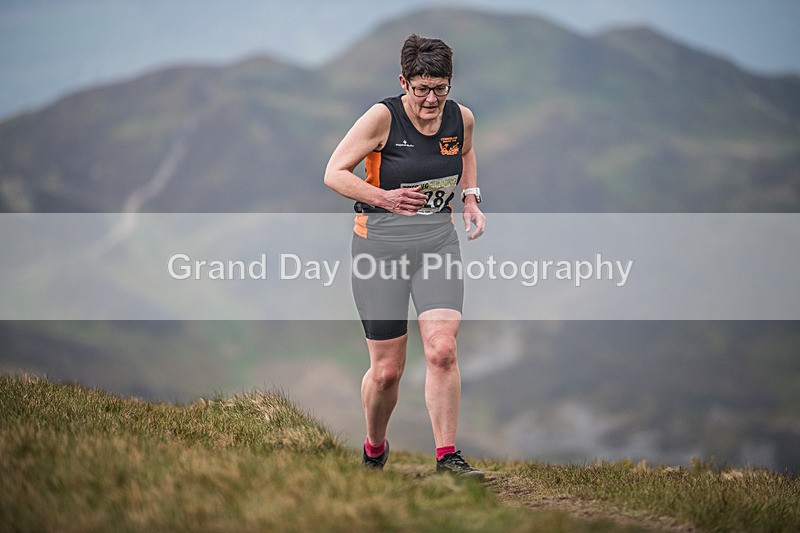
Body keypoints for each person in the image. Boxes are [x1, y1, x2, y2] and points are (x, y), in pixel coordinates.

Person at [324, 34, 485, 478]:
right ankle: (374, 448)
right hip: (380, 248)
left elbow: (466, 151)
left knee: (442, 350)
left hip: (437, 243)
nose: (432, 99)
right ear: (404, 82)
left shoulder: (461, 117)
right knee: (387, 371)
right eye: (422, 89)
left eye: (440, 88)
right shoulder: (382, 118)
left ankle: (447, 456)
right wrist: (385, 198)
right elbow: (334, 173)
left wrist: (470, 198)